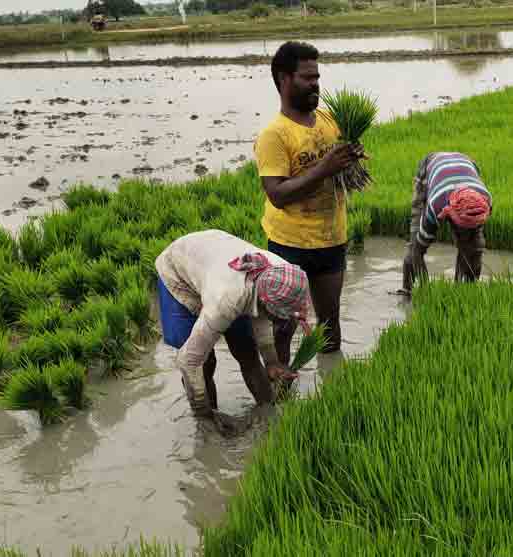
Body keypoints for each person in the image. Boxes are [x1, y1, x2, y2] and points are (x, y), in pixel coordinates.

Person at [254, 40, 362, 355]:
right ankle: (284, 381)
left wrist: (352, 159)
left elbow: (342, 169)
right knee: (283, 328)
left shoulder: (330, 121)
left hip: (331, 239)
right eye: (307, 77)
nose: (315, 83)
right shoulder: (274, 135)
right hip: (290, 244)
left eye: (317, 77)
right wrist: (323, 169)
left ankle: (331, 379)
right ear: (284, 79)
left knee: (330, 329)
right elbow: (276, 194)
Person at [154, 229, 311, 420]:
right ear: (264, 303)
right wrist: (204, 413)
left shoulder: (286, 274)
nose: (282, 321)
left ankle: (268, 414)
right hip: (179, 272)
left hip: (216, 263)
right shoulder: (227, 300)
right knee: (205, 362)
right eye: (280, 317)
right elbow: (188, 361)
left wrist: (271, 363)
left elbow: (261, 319)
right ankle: (207, 422)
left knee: (247, 351)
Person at [402, 151, 493, 294]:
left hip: (466, 163)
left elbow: (473, 246)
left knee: (475, 247)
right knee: (415, 242)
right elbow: (418, 251)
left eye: (469, 228)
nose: (465, 232)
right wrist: (426, 291)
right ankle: (406, 289)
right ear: (450, 214)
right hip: (429, 170)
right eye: (462, 228)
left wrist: (465, 292)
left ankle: (463, 289)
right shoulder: (435, 206)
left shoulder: (484, 203)